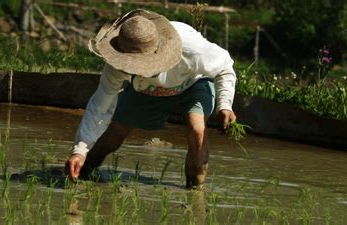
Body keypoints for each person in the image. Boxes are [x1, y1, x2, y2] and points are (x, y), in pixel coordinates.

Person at [65, 9, 237, 190]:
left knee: (197, 129)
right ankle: (82, 172)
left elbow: (225, 67)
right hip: (146, 90)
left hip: (193, 83)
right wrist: (79, 151)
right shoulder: (118, 63)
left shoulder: (192, 51)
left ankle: (195, 193)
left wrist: (224, 105)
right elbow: (100, 105)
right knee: (113, 136)